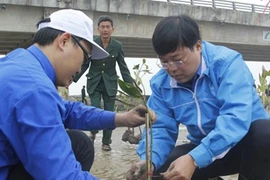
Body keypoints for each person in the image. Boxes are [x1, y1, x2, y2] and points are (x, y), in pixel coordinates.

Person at [0, 9, 153, 180]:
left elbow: (67, 109)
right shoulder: (35, 89)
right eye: (86, 57)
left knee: (80, 143)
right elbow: (64, 176)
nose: (81, 67)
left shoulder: (20, 62)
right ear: (64, 41)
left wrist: (121, 118)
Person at [126, 15, 270, 180]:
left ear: (198, 46)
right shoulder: (161, 84)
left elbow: (234, 119)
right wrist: (148, 160)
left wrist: (194, 159)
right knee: (160, 168)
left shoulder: (227, 65)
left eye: (177, 60)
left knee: (265, 133)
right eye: (164, 62)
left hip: (247, 149)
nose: (171, 69)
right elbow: (161, 128)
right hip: (205, 149)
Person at [74, 15, 133, 151]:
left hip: (110, 84)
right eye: (102, 27)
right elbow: (85, 64)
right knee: (94, 108)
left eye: (108, 27)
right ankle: (93, 132)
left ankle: (106, 142)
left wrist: (130, 86)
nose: (105, 30)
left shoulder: (117, 46)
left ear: (112, 29)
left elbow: (123, 67)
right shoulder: (92, 43)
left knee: (109, 113)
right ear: (98, 29)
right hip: (94, 82)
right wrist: (73, 78)